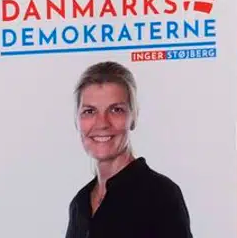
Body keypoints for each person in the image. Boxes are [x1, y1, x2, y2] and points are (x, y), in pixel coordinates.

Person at [65, 61, 191, 238]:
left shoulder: (160, 195)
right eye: (89, 111)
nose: (102, 123)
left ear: (133, 117)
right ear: (76, 120)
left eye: (116, 110)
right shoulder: (80, 203)